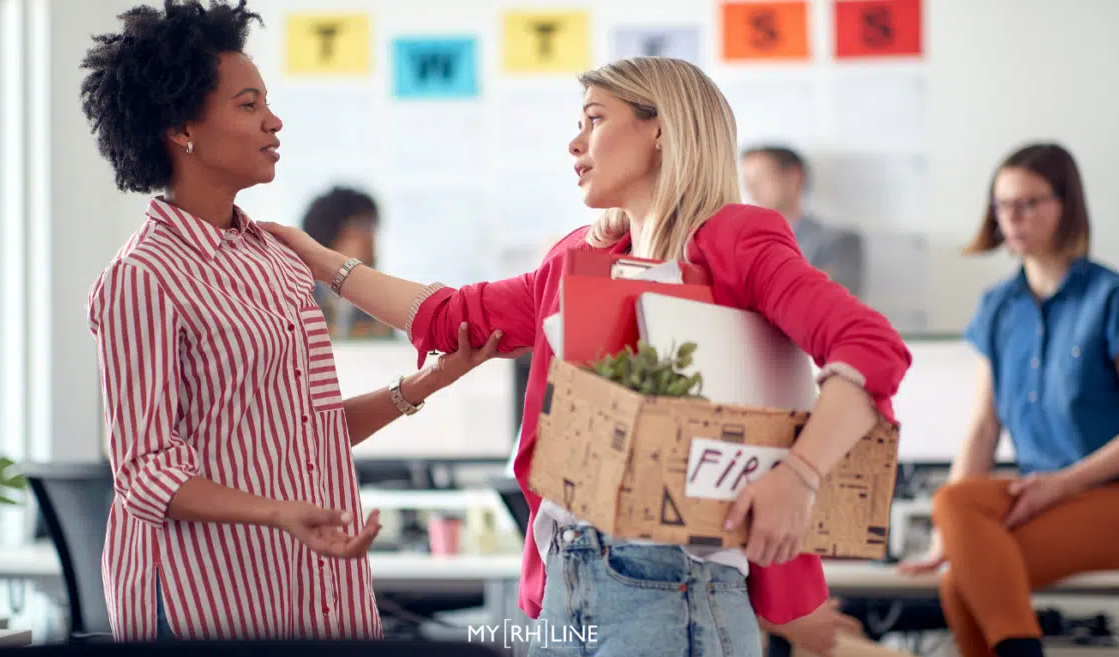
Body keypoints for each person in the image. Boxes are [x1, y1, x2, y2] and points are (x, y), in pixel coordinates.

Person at [263, 56, 911, 656]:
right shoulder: (576, 258)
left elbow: (871, 348)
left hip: (675, 583)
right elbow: (450, 314)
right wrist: (320, 260)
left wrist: (798, 476)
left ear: (662, 130)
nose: (574, 144)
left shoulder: (737, 238)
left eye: (595, 121)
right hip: (566, 580)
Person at [79, 0, 502, 641]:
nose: (273, 122)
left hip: (309, 578)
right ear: (180, 127)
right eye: (248, 106)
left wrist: (424, 385)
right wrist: (279, 514)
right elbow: (145, 473)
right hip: (203, 597)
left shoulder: (277, 258)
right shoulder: (143, 277)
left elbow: (307, 434)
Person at [897, 143, 1119, 657]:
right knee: (955, 516)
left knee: (964, 580)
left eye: (1028, 203)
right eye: (1001, 205)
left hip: (1104, 494)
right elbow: (982, 429)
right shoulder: (998, 307)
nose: (1011, 218)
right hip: (1041, 495)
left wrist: (1063, 485)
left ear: (1066, 205)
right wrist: (944, 538)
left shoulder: (1108, 296)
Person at [741, 146, 866, 298]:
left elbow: (835, 295)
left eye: (762, 179)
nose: (752, 190)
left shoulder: (839, 240)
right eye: (749, 182)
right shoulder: (744, 244)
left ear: (794, 177)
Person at [300, 186, 395, 341]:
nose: (371, 237)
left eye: (373, 226)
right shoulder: (297, 297)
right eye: (363, 226)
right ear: (331, 232)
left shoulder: (382, 304)